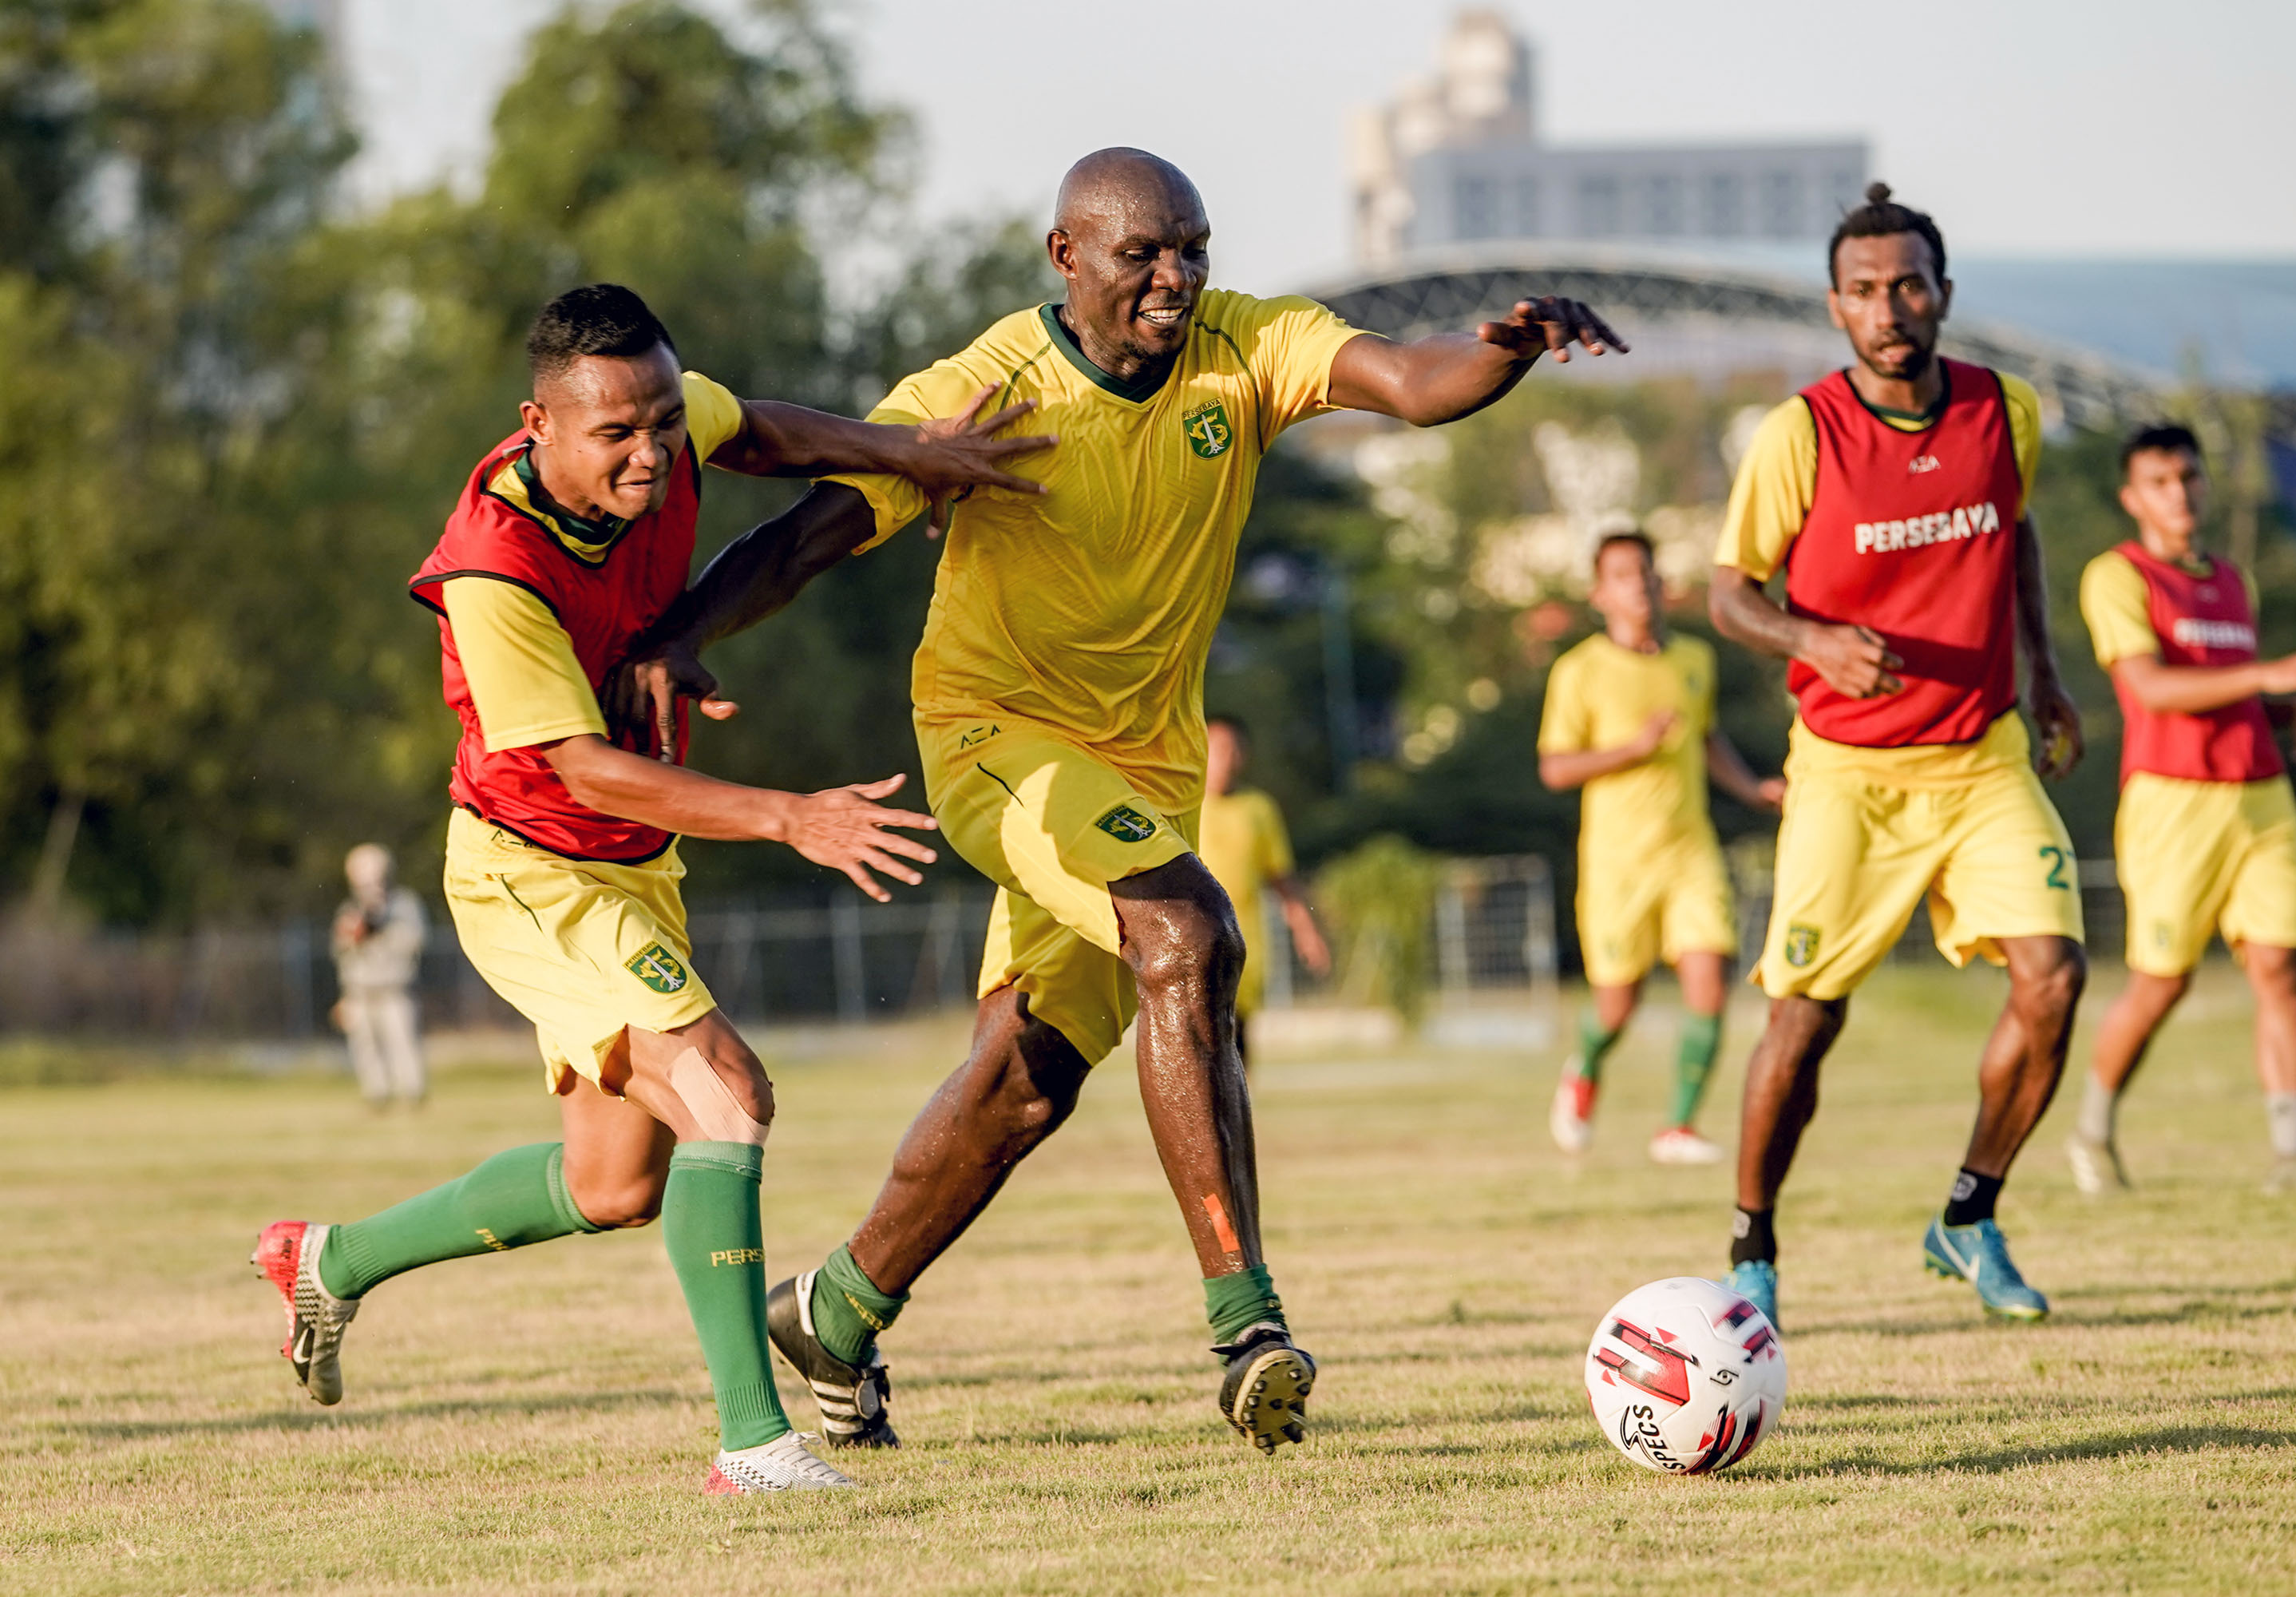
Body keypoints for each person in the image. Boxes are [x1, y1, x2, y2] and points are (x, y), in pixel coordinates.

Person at [618, 149, 1626, 1456]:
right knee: (1188, 936)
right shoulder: (991, 391)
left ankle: (836, 1312)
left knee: (1025, 1081)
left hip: (1142, 774)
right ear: (1066, 259)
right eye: (1144, 253)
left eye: (1193, 248)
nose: (1176, 277)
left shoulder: (1240, 347)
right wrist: (690, 631)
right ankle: (1248, 1326)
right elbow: (811, 533)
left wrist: (1509, 349)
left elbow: (1406, 379)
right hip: (1001, 746)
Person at [253, 283, 1049, 1495]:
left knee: (613, 1184)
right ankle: (755, 1444)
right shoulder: (494, 570)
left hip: (624, 869)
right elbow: (578, 768)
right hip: (533, 872)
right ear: (538, 424)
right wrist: (791, 815)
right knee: (725, 1097)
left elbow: (765, 434)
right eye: (616, 434)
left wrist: (914, 452)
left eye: (663, 423)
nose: (651, 452)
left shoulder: (669, 425)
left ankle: (330, 1260)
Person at [1707, 184, 2088, 1328]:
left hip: (1983, 759)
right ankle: (1752, 1249)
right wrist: (1811, 635)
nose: (1890, 308)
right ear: (1836, 307)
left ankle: (1968, 1219)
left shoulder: (2003, 411)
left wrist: (2047, 670)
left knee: (2055, 979)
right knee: (1805, 1018)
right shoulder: (1800, 433)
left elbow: (2011, 531)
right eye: (1866, 291)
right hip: (1847, 771)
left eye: (1909, 285)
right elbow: (1728, 595)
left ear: (1943, 295)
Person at [2072, 424, 2296, 1201]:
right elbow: (2155, 690)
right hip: (2172, 799)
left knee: (2280, 968)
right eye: (2160, 481)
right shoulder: (2116, 576)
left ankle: (2292, 1159)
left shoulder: (2234, 580)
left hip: (2260, 794)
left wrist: (2289, 709)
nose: (2180, 492)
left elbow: (2230, 692)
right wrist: (2272, 674)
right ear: (2133, 497)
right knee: (2162, 981)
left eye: (2190, 477)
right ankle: (2092, 1132)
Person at [1538, 531, 1783, 1165]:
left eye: (1646, 572)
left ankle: (1676, 1126)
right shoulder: (1579, 670)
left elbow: (1706, 739)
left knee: (1710, 980)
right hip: (1618, 862)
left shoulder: (1695, 660)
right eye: (1622, 575)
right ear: (1599, 594)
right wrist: (1632, 749)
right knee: (1618, 1005)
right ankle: (1585, 1065)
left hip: (1690, 850)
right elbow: (1555, 769)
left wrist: (1752, 788)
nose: (1638, 585)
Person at [1197, 713, 1333, 1065]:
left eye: (1232, 749)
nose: (1224, 758)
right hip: (1192, 938)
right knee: (1195, 1038)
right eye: (1216, 748)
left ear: (1243, 756)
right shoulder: (1181, 803)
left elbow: (1282, 880)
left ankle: (1235, 1118)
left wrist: (1307, 932)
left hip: (1244, 942)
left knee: (1233, 1039)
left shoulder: (1259, 810)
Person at [331, 843, 428, 1110]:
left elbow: (415, 942)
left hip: (394, 988)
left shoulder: (404, 905)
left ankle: (413, 1094)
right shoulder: (349, 909)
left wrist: (381, 930)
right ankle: (376, 1095)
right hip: (360, 991)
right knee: (365, 1048)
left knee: (403, 1042)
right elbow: (342, 953)